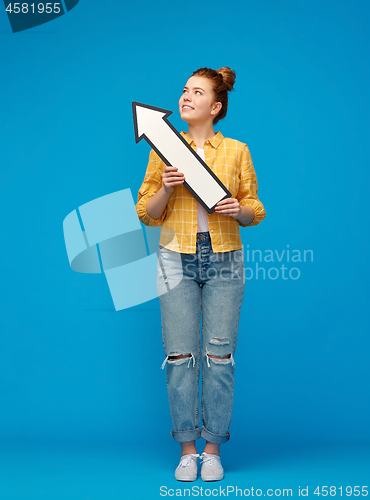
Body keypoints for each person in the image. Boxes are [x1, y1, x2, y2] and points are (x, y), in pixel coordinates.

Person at [136, 67, 266, 481]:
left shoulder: (237, 151)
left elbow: (255, 209)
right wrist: (168, 188)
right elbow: (146, 214)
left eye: (197, 92)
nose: (186, 97)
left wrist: (237, 210)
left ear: (216, 105)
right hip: (175, 258)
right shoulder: (163, 150)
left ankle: (213, 448)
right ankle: (187, 449)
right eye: (184, 90)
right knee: (179, 357)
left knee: (219, 357)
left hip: (225, 257)